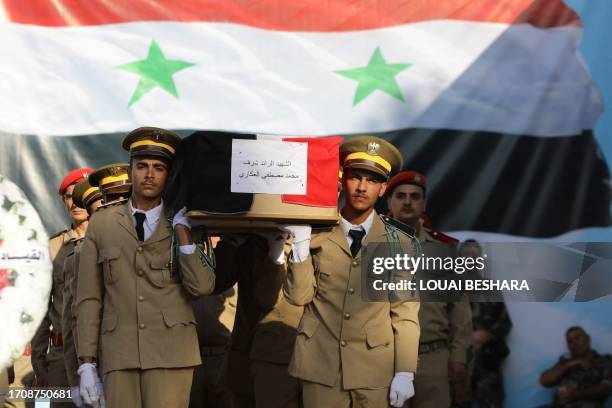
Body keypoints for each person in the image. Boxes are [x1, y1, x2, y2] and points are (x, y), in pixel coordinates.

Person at [76, 127, 217, 408]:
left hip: (172, 355)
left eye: (158, 167)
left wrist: (184, 235)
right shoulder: (103, 224)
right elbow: (89, 298)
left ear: (169, 174)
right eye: (141, 166)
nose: (149, 174)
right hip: (120, 355)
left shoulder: (188, 221)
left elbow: (202, 287)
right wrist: (87, 364)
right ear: (131, 171)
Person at [282, 136, 420, 408]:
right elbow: (298, 297)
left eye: (371, 181)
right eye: (356, 177)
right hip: (321, 368)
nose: (361, 187)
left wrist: (405, 370)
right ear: (343, 180)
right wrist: (299, 246)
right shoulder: (315, 233)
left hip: (374, 371)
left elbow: (404, 311)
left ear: (383, 189)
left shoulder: (398, 242)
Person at [386, 171, 472, 408]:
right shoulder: (370, 245)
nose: (407, 201)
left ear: (423, 203)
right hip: (385, 357)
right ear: (389, 201)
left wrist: (458, 357)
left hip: (433, 359)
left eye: (414, 197)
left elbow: (460, 312)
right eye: (400, 196)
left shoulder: (445, 249)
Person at [209, 233, 302, 408]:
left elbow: (267, 297)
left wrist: (276, 251)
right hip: (244, 357)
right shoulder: (251, 239)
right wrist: (230, 242)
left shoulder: (313, 235)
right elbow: (212, 283)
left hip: (284, 362)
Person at [31, 167, 93, 408]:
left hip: (105, 355)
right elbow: (40, 310)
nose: (76, 201)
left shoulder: (113, 243)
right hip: (59, 356)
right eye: (69, 195)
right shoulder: (51, 248)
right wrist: (39, 364)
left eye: (82, 193)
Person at [61, 178, 103, 407]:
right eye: (70, 196)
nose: (77, 203)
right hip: (77, 355)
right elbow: (71, 318)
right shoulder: (65, 251)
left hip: (124, 360)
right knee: (41, 401)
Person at [540, 326, 612, 408]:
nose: (574, 344)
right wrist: (568, 365)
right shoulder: (564, 362)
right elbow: (544, 381)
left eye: (577, 338)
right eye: (570, 341)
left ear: (588, 339)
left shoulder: (606, 361)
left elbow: (606, 389)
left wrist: (577, 395)